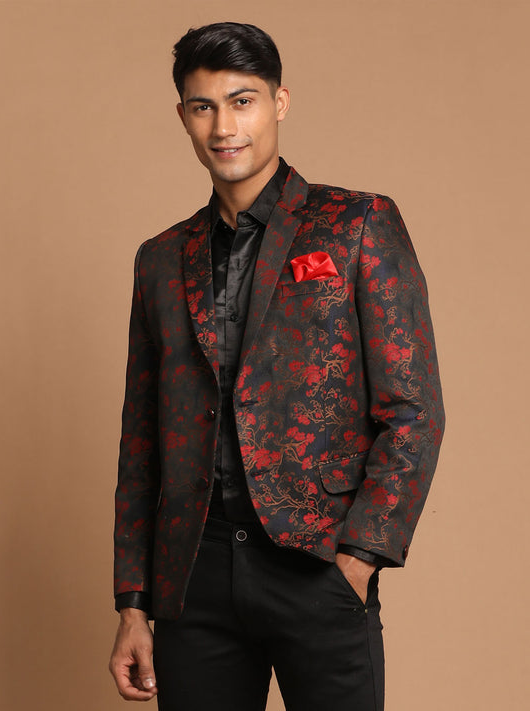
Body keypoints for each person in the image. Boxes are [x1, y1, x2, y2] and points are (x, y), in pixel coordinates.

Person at [109, 21, 445, 711]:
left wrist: (359, 558)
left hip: (317, 567)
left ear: (279, 103)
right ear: (183, 116)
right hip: (193, 580)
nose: (223, 126)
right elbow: (141, 439)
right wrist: (134, 602)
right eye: (203, 107)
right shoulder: (161, 258)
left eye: (243, 101)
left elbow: (413, 410)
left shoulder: (355, 223)